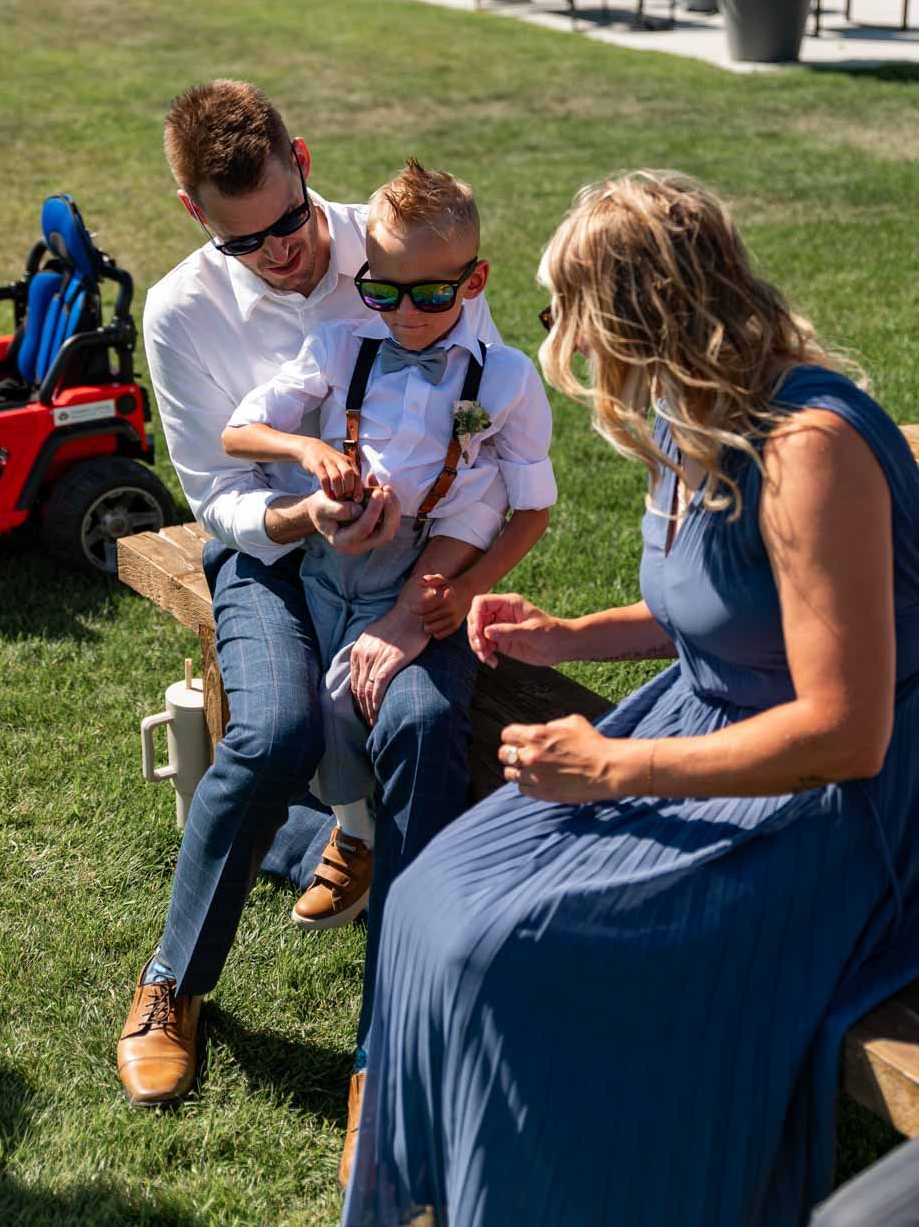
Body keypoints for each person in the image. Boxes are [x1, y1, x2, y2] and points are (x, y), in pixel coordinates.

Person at [342, 171, 919, 1225]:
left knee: (501, 953)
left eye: (563, 310)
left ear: (637, 316)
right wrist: (570, 637)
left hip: (829, 800)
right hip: (707, 734)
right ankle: (458, 1191)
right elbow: (722, 609)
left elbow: (844, 732)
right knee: (429, 902)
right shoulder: (686, 409)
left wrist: (612, 768)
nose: (558, 335)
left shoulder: (807, 450)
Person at [117, 83, 498, 1157]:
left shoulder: (396, 245)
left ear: (303, 158)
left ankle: (391, 1053)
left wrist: (436, 519)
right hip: (269, 553)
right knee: (274, 728)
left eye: (291, 222)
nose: (283, 253)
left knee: (420, 728)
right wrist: (306, 510)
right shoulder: (180, 311)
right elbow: (214, 496)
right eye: (247, 242)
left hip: (409, 564)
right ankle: (169, 986)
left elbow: (481, 401)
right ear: (196, 214)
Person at [222, 158, 554, 929]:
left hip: (415, 564)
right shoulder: (343, 345)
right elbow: (238, 431)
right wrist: (310, 456)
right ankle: (348, 823)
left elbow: (529, 508)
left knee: (351, 694)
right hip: (323, 555)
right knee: (300, 703)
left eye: (432, 294)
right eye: (384, 289)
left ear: (473, 283)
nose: (405, 316)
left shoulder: (503, 380)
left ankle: (367, 840)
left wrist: (464, 593)